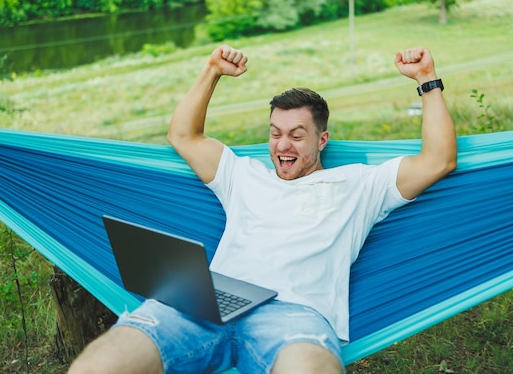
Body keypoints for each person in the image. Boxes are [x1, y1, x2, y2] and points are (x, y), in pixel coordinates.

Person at [68, 44, 457, 374]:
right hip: (205, 303)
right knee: (101, 362)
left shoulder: (360, 183)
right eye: (275, 134)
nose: (282, 145)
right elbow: (183, 135)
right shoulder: (242, 174)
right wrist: (212, 70)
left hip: (294, 315)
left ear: (322, 140)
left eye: (296, 135)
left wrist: (427, 78)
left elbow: (438, 160)